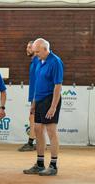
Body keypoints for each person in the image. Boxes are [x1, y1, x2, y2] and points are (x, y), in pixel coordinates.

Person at [23, 38, 63, 176]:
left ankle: (53, 165)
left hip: (50, 99)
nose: (36, 54)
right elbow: (37, 84)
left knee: (51, 131)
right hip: (39, 100)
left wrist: (53, 106)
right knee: (38, 130)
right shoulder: (40, 61)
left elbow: (58, 86)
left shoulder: (55, 62)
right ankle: (40, 164)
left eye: (37, 52)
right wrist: (34, 103)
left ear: (45, 49)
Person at [18, 40, 39, 152]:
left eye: (30, 47)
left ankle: (31, 143)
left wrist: (35, 98)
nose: (27, 49)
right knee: (33, 118)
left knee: (33, 118)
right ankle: (36, 143)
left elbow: (38, 81)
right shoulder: (34, 61)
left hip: (37, 96)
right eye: (27, 47)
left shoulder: (37, 62)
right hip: (34, 96)